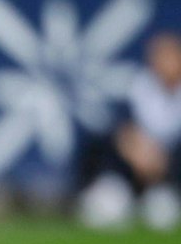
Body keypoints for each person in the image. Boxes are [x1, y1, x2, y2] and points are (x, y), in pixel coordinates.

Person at [77, 31, 181, 230]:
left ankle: (165, 195)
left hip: (171, 170)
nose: (164, 63)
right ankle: (114, 192)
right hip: (136, 165)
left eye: (170, 57)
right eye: (158, 57)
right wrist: (140, 155)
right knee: (105, 146)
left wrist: (163, 160)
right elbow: (124, 130)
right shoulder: (139, 87)